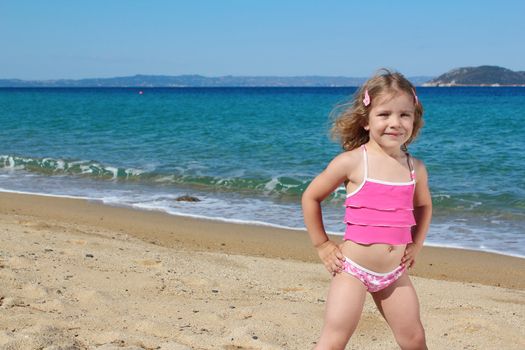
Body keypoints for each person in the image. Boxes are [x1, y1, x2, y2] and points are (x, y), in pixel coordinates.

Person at [302, 69, 432, 350]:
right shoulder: (352, 162)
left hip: (394, 273)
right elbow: (311, 197)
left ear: (414, 119)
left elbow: (423, 205)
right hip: (353, 270)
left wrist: (417, 243)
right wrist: (322, 244)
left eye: (404, 115)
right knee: (334, 339)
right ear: (366, 120)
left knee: (414, 338)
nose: (395, 123)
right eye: (384, 114)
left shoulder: (415, 168)